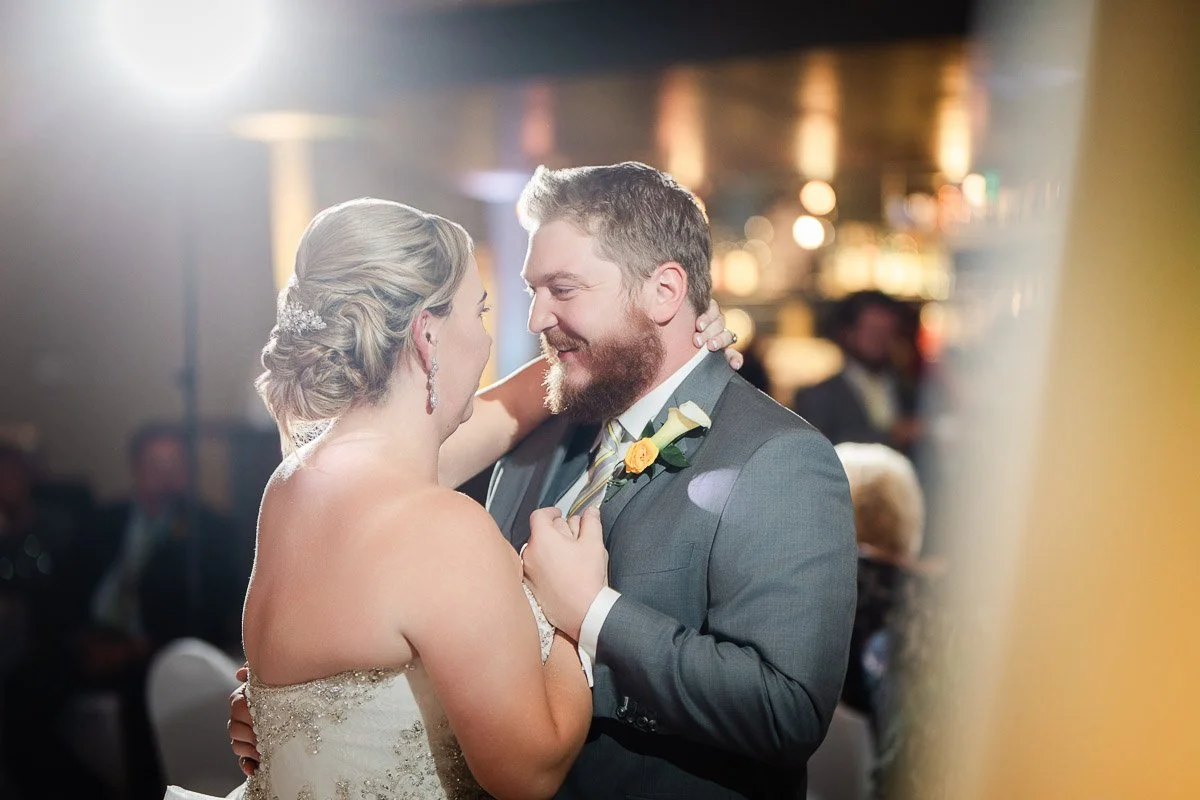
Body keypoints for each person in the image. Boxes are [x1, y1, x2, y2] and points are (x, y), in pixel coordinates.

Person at [189, 196, 739, 800]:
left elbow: (513, 407)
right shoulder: (439, 527)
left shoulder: (295, 480)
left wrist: (660, 335)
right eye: (480, 313)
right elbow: (529, 773)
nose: (489, 340)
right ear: (427, 333)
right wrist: (570, 613)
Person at [470, 163, 856, 798]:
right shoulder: (532, 444)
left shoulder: (779, 458)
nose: (536, 317)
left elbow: (786, 710)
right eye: (532, 290)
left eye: (563, 290)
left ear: (665, 291)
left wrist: (596, 615)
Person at [792, 290, 922, 454]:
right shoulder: (816, 397)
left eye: (888, 332)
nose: (881, 340)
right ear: (848, 334)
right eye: (873, 331)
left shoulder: (911, 390)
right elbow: (819, 453)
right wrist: (891, 436)